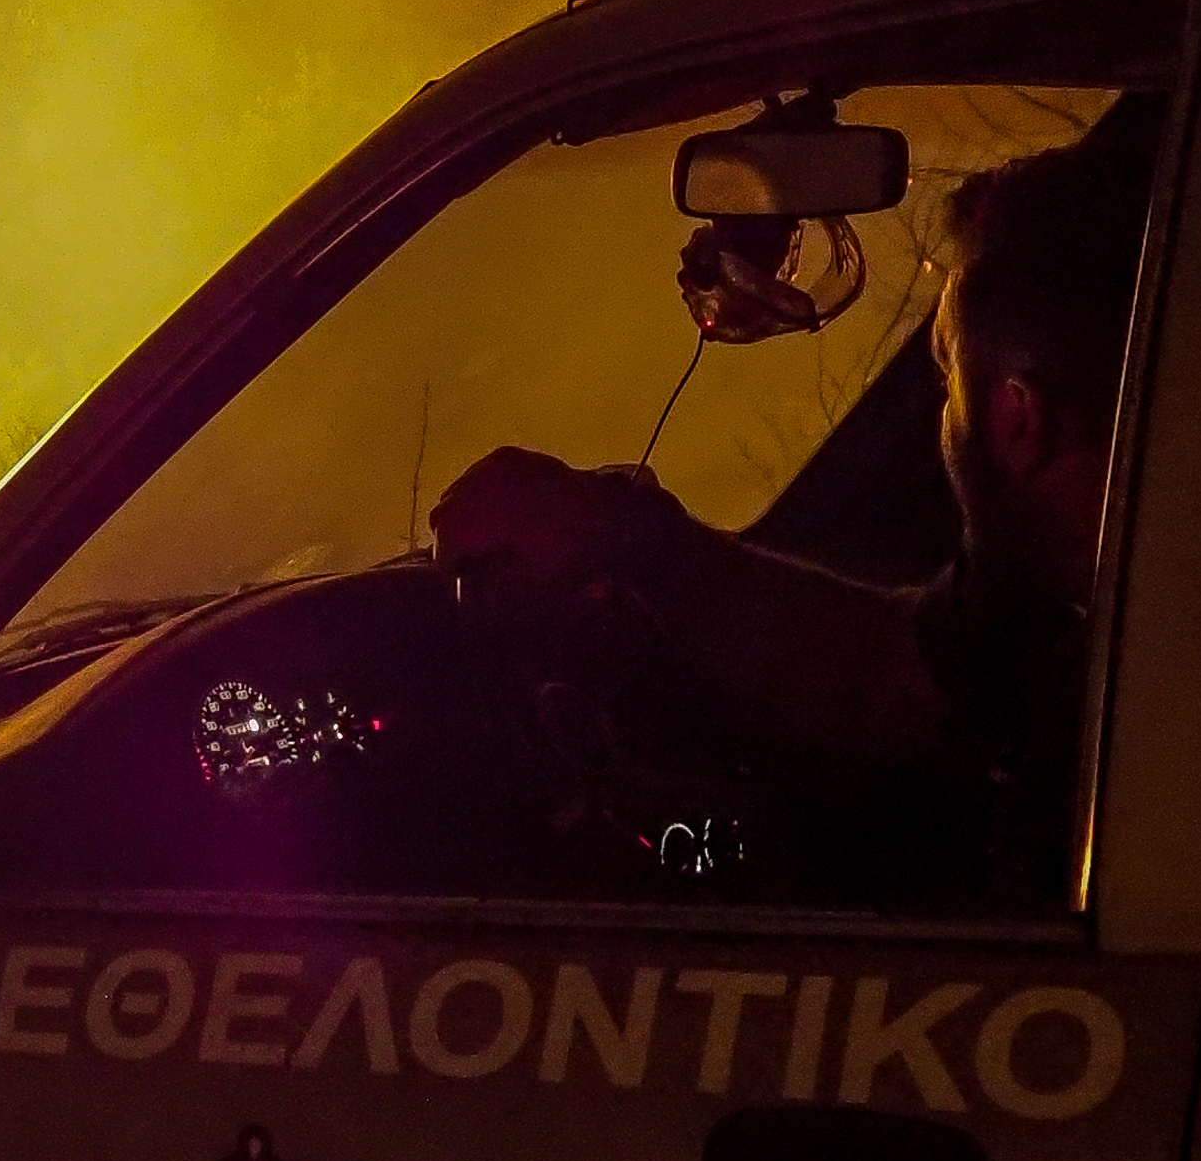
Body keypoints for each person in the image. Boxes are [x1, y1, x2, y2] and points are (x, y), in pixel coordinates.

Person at [426, 124, 1157, 889]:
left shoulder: (1124, 671)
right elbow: (892, 672)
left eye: (945, 383)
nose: (937, 417)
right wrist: (631, 535)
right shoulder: (1080, 601)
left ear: (1018, 420)